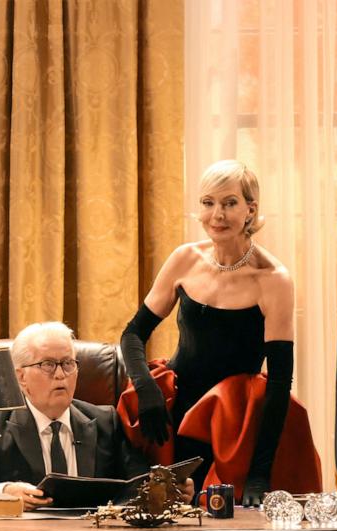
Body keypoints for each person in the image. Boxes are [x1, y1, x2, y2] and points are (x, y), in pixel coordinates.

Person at [120, 159, 311, 507]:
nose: (217, 215)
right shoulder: (184, 259)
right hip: (176, 416)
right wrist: (146, 387)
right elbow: (133, 333)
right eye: (208, 203)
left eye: (230, 203)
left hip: (234, 425)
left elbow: (281, 381)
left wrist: (259, 473)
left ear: (251, 210)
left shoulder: (273, 278)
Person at [0, 322, 159, 510]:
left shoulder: (106, 421)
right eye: (48, 364)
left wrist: (166, 489)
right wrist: (5, 491)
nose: (60, 374)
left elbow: (138, 484)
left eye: (68, 363)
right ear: (21, 377)